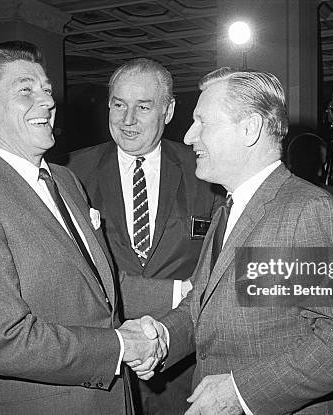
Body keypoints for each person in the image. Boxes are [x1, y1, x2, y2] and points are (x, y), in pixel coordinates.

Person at [0, 41, 163, 415]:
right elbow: (3, 342)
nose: (47, 101)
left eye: (46, 90)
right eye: (25, 90)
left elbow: (96, 295)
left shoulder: (65, 179)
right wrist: (120, 347)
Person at [131, 68, 333, 414]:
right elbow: (202, 303)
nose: (189, 137)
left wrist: (242, 392)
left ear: (249, 129)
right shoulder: (226, 212)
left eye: (203, 122)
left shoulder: (310, 212)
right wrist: (163, 338)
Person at [66, 58, 223, 414]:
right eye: (119, 105)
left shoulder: (207, 171)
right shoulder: (70, 173)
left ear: (168, 111)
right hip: (105, 370)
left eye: (143, 106)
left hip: (185, 366)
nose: (127, 119)